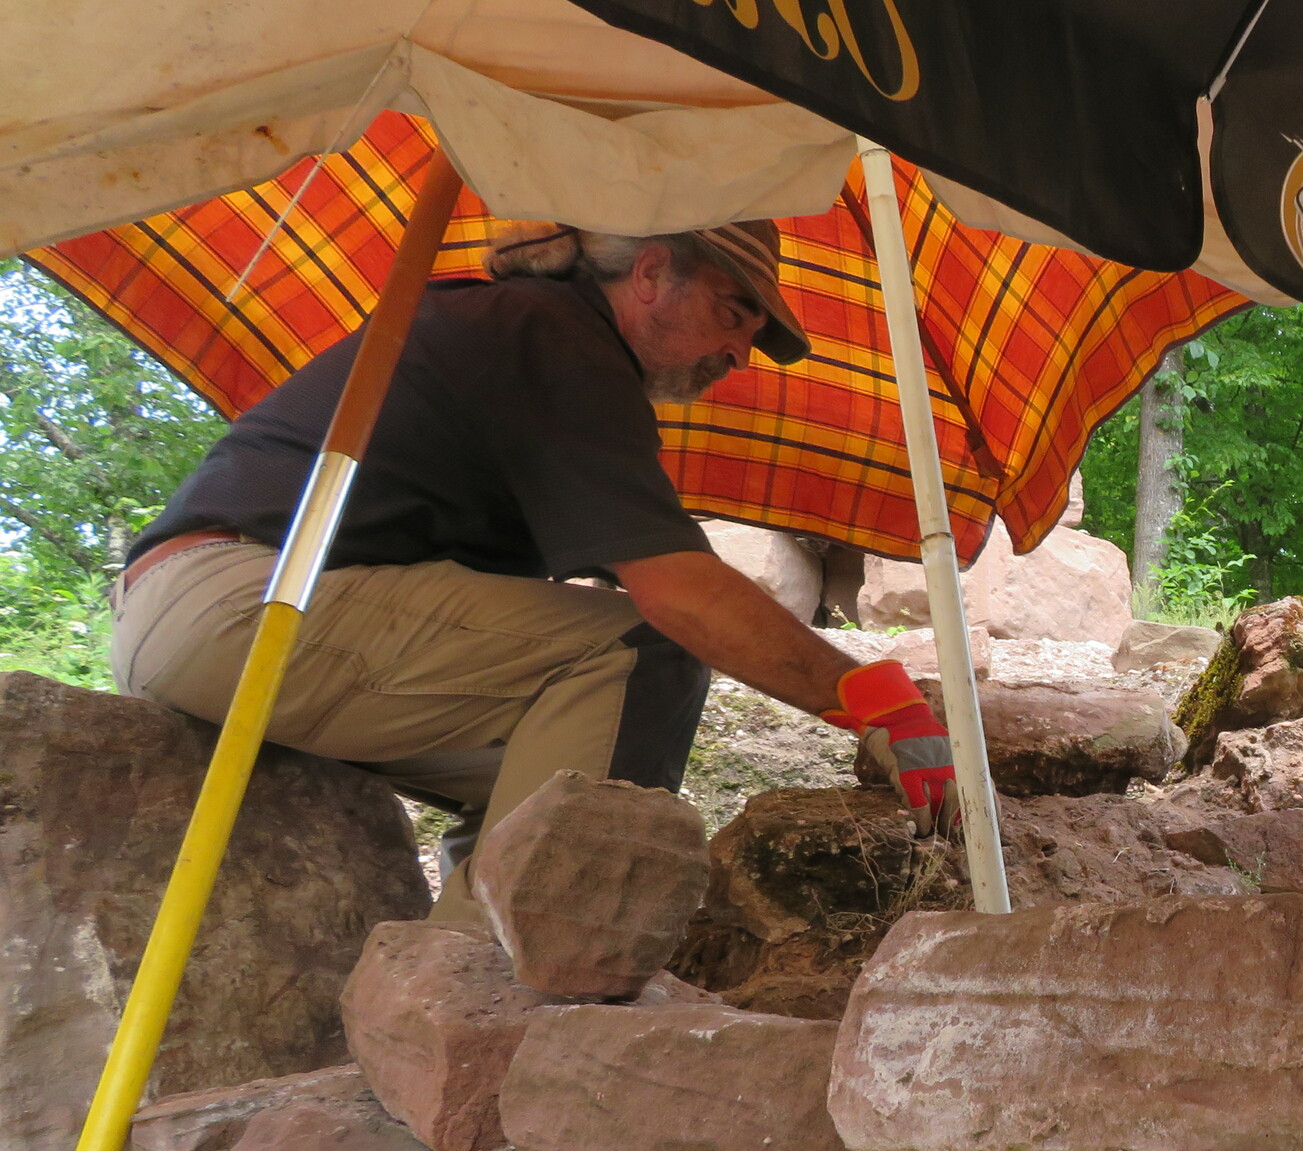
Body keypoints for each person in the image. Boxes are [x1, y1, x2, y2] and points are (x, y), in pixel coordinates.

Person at [110, 220, 958, 924]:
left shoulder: (535, 343)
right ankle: (498, 995)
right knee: (645, 657)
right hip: (246, 604)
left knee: (556, 794)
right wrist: (872, 699)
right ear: (652, 272)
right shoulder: (550, 332)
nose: (741, 352)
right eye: (733, 312)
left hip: (208, 616)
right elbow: (678, 593)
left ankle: (447, 995)